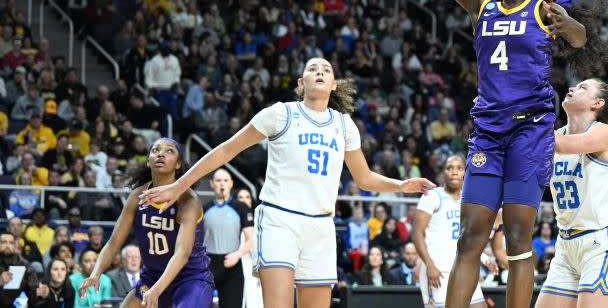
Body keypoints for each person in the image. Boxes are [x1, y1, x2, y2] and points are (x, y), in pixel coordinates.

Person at [362, 0, 608, 308]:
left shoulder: (544, 9)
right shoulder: (482, 4)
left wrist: (569, 23)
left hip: (530, 130)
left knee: (517, 239)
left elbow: (579, 40)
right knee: (470, 238)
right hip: (489, 131)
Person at [140, 57, 434, 308]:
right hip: (279, 220)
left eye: (326, 70)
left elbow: (364, 178)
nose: (319, 71)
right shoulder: (281, 114)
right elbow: (227, 149)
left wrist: (400, 185)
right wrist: (179, 186)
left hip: (321, 226)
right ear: (301, 81)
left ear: (333, 85)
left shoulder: (344, 125)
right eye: (312, 68)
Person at [77, 138, 214, 308]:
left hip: (189, 279)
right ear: (149, 160)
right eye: (155, 150)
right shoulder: (137, 196)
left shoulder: (188, 200)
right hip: (152, 277)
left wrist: (157, 290)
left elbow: (182, 253)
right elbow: (113, 244)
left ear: (178, 164)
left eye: (169, 150)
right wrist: (95, 274)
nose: (161, 154)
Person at [537, 78, 608, 307]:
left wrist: (527, 114)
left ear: (597, 103)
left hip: (600, 243)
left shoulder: (603, 133)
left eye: (582, 88)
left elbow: (561, 145)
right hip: (566, 245)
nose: (571, 88)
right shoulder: (557, 134)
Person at [413, 155, 485, 308]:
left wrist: (484, 259)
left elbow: (466, 239)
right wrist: (429, 265)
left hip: (464, 268)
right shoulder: (433, 196)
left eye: (459, 168)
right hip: (439, 271)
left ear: (465, 173)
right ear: (442, 173)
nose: (454, 172)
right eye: (449, 168)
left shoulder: (469, 200)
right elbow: (417, 233)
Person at [202, 169, 253, 308]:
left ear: (231, 184)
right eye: (218, 181)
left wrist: (237, 255)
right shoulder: (204, 208)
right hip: (207, 266)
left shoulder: (241, 207)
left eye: (225, 180)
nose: (222, 184)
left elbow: (250, 239)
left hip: (232, 265)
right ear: (212, 183)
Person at [235, 188, 263, 308]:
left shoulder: (259, 220)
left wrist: (261, 271)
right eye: (241, 197)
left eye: (247, 197)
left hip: (252, 265)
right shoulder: (231, 219)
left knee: (254, 302)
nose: (244, 200)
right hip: (235, 266)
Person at [1, 231, 40, 306]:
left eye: (11, 243)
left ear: (15, 246)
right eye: (3, 242)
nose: (7, 245)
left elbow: (33, 293)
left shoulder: (25, 265)